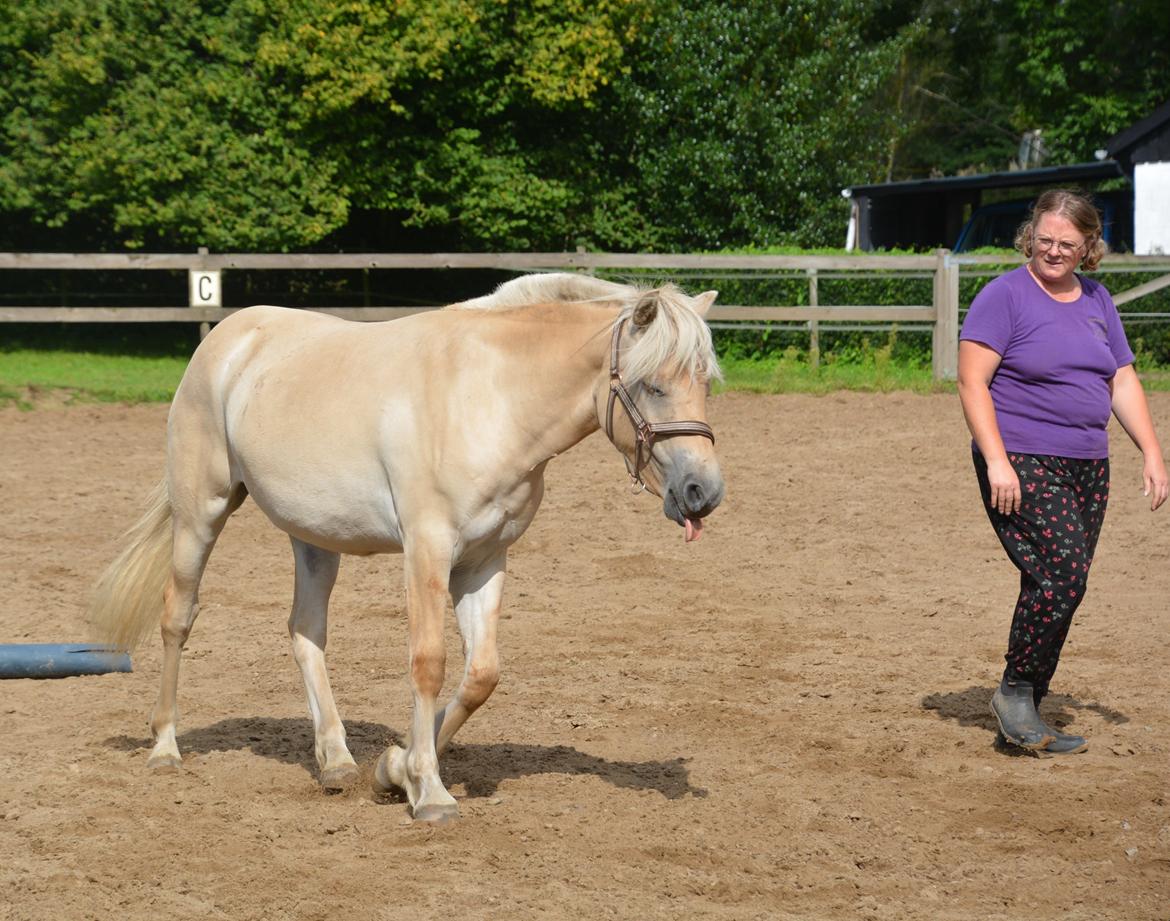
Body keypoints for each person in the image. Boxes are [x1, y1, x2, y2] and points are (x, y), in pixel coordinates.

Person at [957, 188, 1168, 756]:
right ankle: (1016, 692)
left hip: (1087, 466)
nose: (1053, 251)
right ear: (1031, 236)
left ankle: (1027, 701)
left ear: (1088, 247)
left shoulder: (1098, 300)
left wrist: (1151, 450)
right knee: (1064, 573)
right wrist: (997, 460)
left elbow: (1119, 378)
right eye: (1044, 240)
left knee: (1061, 582)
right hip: (1023, 457)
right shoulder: (1004, 297)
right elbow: (971, 380)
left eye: (1066, 244)